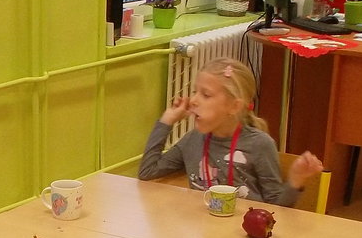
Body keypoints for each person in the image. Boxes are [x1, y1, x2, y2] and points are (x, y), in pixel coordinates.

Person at [137, 57, 322, 204]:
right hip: (206, 232)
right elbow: (147, 172)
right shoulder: (193, 139)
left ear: (234, 106)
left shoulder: (259, 145)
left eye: (206, 94)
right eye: (195, 92)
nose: (193, 100)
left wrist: (295, 180)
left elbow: (276, 206)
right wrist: (167, 120)